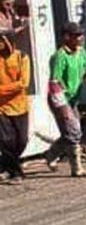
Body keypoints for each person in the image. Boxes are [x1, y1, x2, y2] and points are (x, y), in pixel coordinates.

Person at [46, 22, 86, 177]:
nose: (81, 38)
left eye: (81, 35)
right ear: (67, 37)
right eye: (76, 35)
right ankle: (77, 168)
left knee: (71, 132)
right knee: (74, 131)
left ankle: (51, 154)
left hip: (73, 99)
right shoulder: (59, 57)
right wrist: (63, 108)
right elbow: (54, 83)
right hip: (60, 100)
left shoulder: (81, 52)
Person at [0, 34, 29, 182]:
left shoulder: (21, 57)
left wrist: (1, 89)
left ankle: (4, 166)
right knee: (6, 141)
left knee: (22, 141)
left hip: (20, 106)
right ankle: (16, 173)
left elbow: (23, 83)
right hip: (2, 107)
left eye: (1, 40)